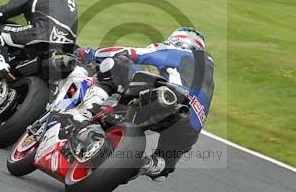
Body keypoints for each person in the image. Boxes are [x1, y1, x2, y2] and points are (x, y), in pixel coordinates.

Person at [76, 27, 215, 181]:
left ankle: (85, 113)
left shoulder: (178, 50)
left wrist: (88, 53)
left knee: (118, 62)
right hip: (192, 127)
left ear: (177, 40)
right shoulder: (208, 77)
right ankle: (146, 164)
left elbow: (134, 53)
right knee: (162, 170)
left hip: (169, 98)